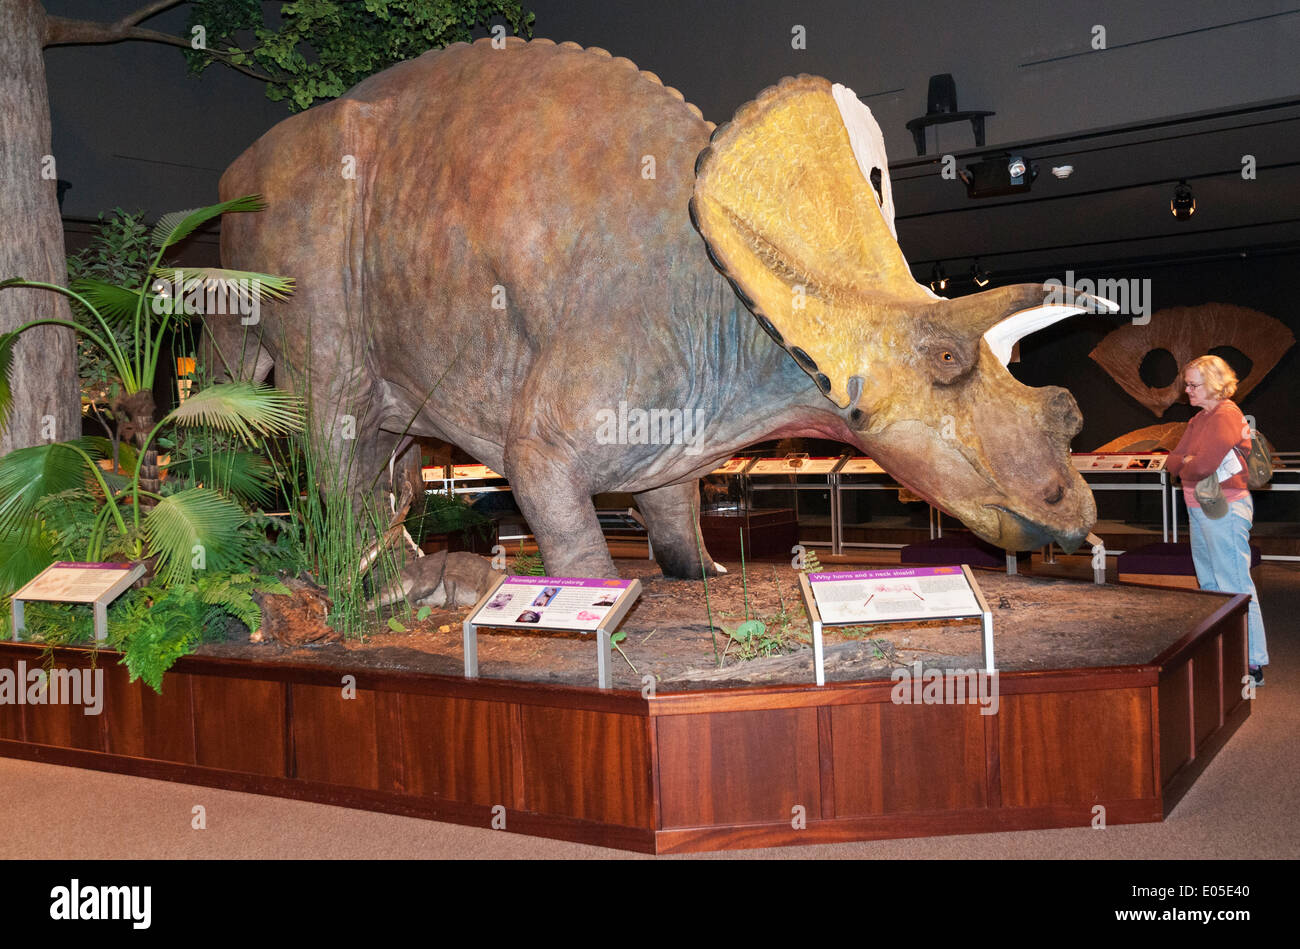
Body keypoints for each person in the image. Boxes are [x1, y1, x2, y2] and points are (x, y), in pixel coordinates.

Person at [1165, 355, 1269, 685]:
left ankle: (1253, 663)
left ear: (1213, 385)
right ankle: (1224, 654)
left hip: (1225, 509)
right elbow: (1173, 461)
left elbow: (1202, 466)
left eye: (1193, 384)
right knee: (1210, 585)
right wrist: (1186, 461)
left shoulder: (1226, 414)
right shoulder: (1199, 419)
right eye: (1187, 384)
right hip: (1199, 508)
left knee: (1234, 585)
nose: (1187, 390)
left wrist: (1188, 462)